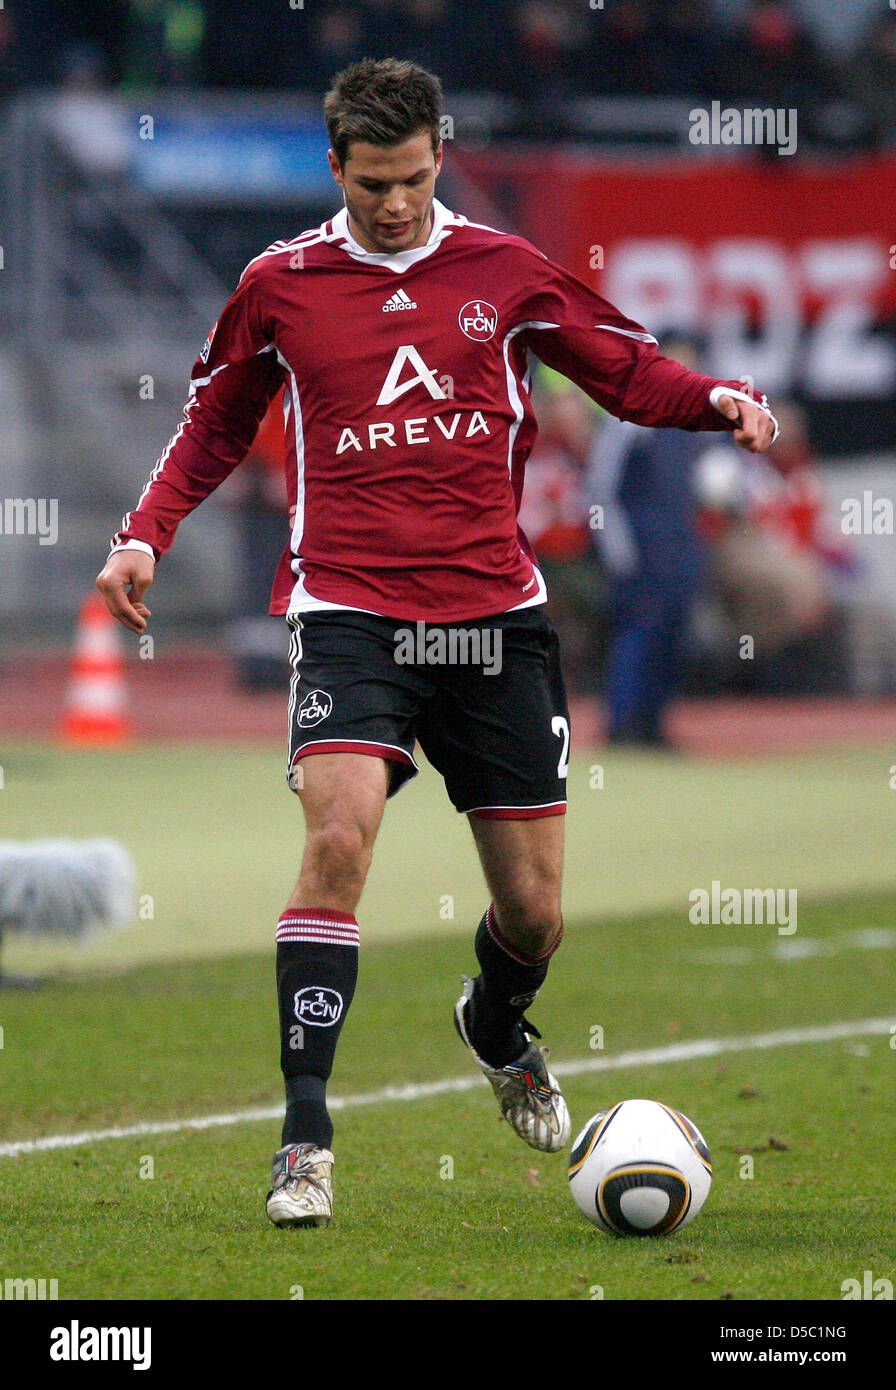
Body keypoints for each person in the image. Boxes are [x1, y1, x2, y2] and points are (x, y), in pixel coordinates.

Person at [95, 58, 779, 1230]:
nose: (397, 204)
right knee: (336, 840)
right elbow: (213, 419)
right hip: (350, 610)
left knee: (534, 916)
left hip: (493, 621)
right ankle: (303, 1140)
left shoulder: (504, 272)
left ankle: (496, 1020)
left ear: (437, 155)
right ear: (334, 169)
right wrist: (143, 533)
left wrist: (711, 398)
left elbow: (624, 368)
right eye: (372, 185)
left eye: (414, 178)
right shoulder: (281, 284)